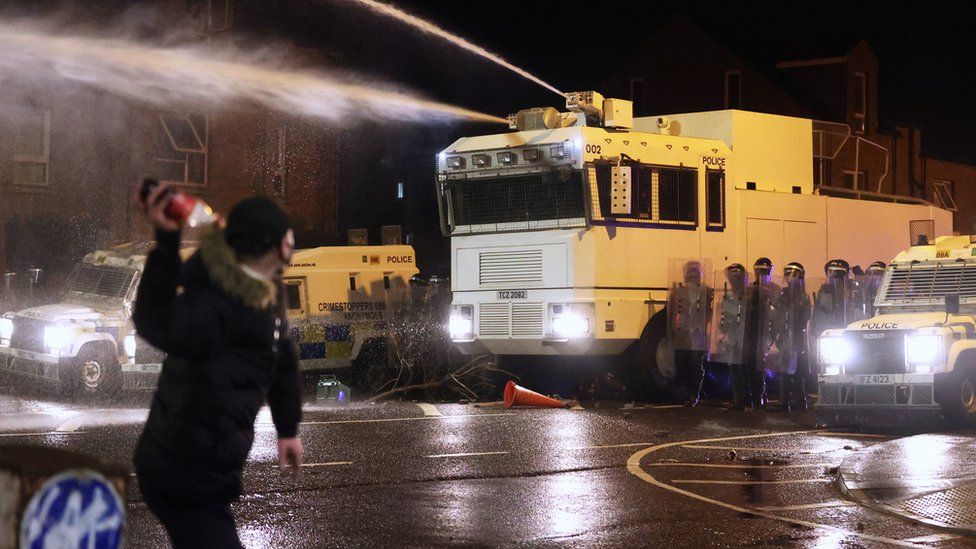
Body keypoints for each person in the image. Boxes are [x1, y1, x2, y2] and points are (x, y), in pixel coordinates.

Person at [132, 183, 303, 549]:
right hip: (183, 475)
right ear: (280, 246)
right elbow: (154, 322)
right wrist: (166, 242)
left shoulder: (268, 291)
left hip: (205, 470)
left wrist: (287, 428)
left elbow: (282, 356)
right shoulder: (214, 308)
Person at [767, 262, 811, 411]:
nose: (789, 277)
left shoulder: (803, 296)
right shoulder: (783, 294)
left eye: (792, 274)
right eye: (787, 274)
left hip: (797, 336)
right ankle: (784, 400)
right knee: (784, 369)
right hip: (784, 336)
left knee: (797, 370)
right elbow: (775, 314)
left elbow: (805, 317)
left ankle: (800, 399)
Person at [668, 260, 712, 406]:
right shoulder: (678, 291)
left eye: (695, 271)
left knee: (696, 364)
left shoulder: (707, 291)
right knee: (681, 362)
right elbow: (671, 312)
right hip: (683, 333)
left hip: (698, 334)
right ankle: (686, 392)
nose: (692, 274)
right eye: (690, 271)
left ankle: (694, 394)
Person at [712, 263, 752, 409]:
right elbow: (725, 320)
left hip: (746, 338)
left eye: (737, 277)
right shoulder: (728, 297)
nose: (734, 281)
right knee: (735, 368)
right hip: (733, 338)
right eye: (732, 278)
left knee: (746, 368)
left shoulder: (749, 295)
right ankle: (739, 398)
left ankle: (749, 398)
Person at [746, 257, 776, 408]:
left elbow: (778, 309)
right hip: (752, 332)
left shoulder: (773, 288)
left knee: (763, 366)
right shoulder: (750, 289)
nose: (763, 273)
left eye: (766, 270)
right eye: (760, 270)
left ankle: (762, 396)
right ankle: (756, 396)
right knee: (752, 366)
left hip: (767, 332)